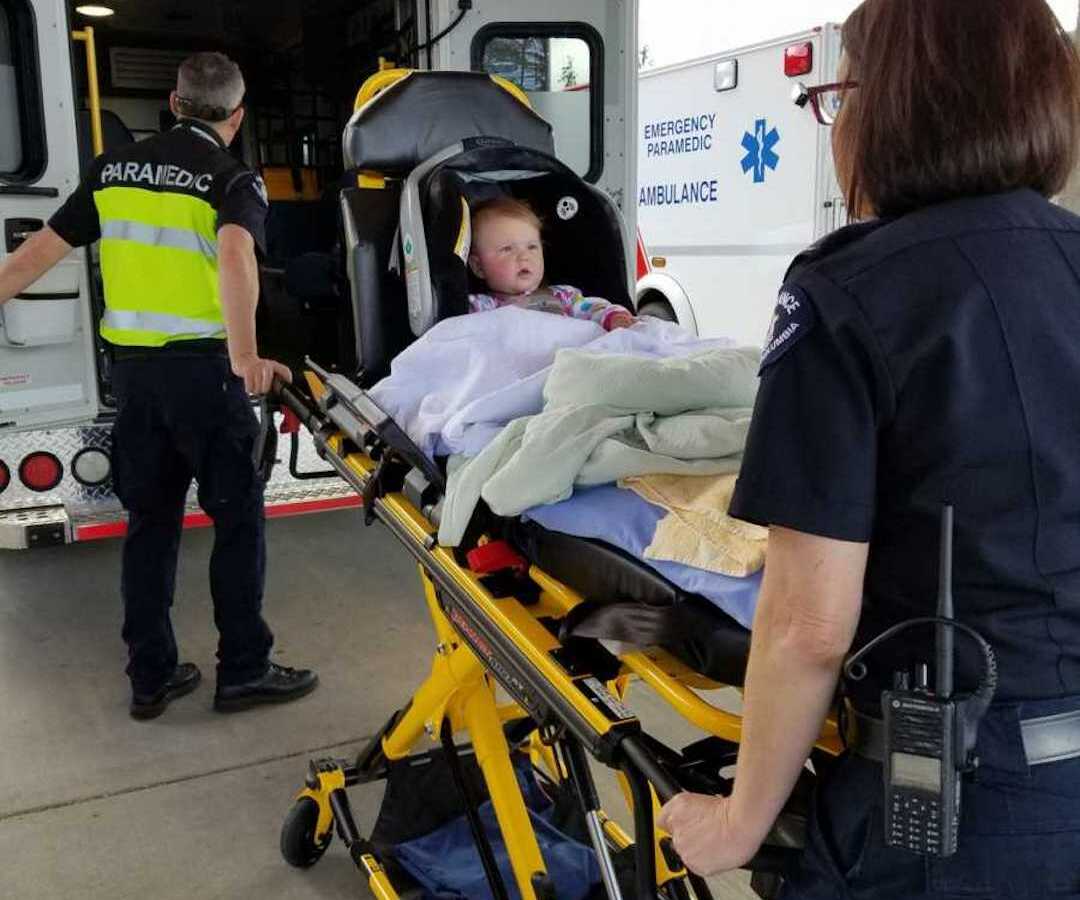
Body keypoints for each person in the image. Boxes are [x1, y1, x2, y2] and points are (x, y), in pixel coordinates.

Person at [658, 0, 1080, 896]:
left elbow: (808, 626)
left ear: (891, 104)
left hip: (960, 798)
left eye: (842, 94)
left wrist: (741, 820)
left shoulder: (847, 293)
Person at [0, 52, 318, 720]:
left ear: (173, 104)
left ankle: (151, 677)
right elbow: (236, 257)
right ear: (236, 116)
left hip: (136, 381)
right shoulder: (232, 178)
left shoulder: (111, 173)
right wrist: (247, 356)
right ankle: (244, 671)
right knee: (237, 523)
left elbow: (37, 253)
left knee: (150, 527)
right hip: (206, 375)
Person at [467, 197, 636, 330]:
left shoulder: (563, 296)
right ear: (479, 267)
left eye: (532, 247)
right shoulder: (481, 307)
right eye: (507, 249)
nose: (524, 257)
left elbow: (593, 309)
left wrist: (613, 317)